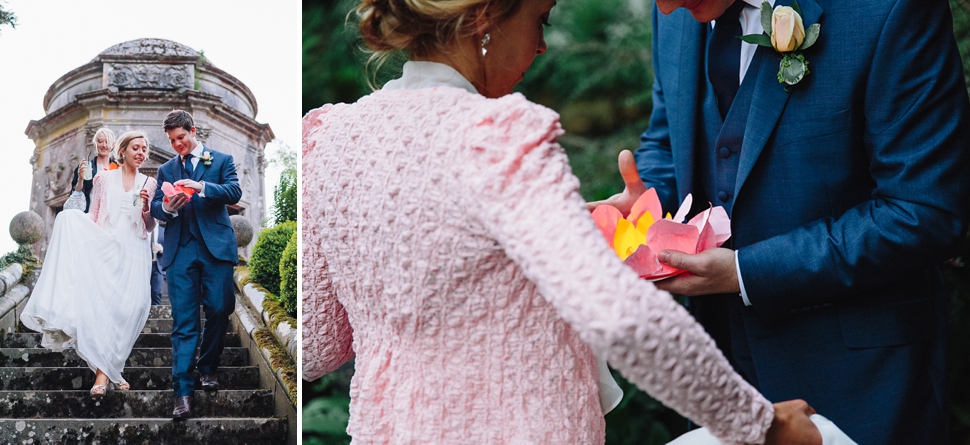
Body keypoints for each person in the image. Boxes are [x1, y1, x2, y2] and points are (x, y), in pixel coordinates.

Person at [302, 0, 821, 443]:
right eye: (541, 19)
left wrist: (560, 227)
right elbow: (621, 318)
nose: (542, 46)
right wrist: (760, 426)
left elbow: (317, 346)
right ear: (485, 18)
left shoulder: (327, 140)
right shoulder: (499, 134)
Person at [634, 0, 970, 442]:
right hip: (722, 376)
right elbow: (669, 140)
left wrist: (745, 272)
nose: (666, 6)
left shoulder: (890, 9)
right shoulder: (675, 15)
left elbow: (926, 212)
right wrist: (644, 205)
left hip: (861, 382)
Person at [22, 130, 157, 398]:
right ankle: (103, 375)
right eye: (136, 148)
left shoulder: (149, 183)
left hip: (133, 250)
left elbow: (150, 226)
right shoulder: (104, 178)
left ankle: (110, 368)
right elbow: (94, 214)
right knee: (67, 220)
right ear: (123, 150)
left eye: (144, 149)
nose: (141, 153)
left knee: (130, 308)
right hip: (105, 244)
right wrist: (89, 246)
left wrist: (145, 209)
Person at [150, 110, 241, 420]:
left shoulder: (221, 159)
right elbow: (155, 209)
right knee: (184, 324)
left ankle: (209, 366)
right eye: (172, 140)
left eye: (181, 138)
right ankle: (183, 394)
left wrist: (202, 187)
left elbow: (234, 191)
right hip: (180, 252)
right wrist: (166, 207)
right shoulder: (165, 169)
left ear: (193, 131)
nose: (177, 144)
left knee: (219, 308)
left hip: (216, 248)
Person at [70, 128, 119, 213]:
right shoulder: (85, 167)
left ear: (113, 145)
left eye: (107, 142)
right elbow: (76, 194)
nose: (104, 145)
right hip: (90, 214)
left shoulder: (118, 169)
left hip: (113, 214)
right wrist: (80, 179)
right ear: (95, 143)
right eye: (100, 141)